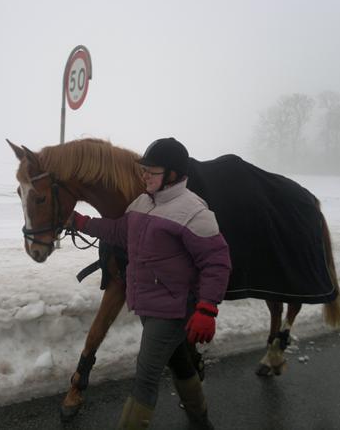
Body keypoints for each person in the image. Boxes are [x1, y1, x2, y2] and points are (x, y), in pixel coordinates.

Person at [70, 137, 232, 429]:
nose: (144, 175)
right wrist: (83, 223)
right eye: (143, 169)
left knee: (145, 377)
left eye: (151, 171)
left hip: (173, 309)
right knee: (180, 362)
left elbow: (217, 261)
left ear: (173, 174)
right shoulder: (143, 202)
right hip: (148, 302)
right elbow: (120, 231)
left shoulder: (194, 211)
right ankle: (201, 420)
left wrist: (207, 308)